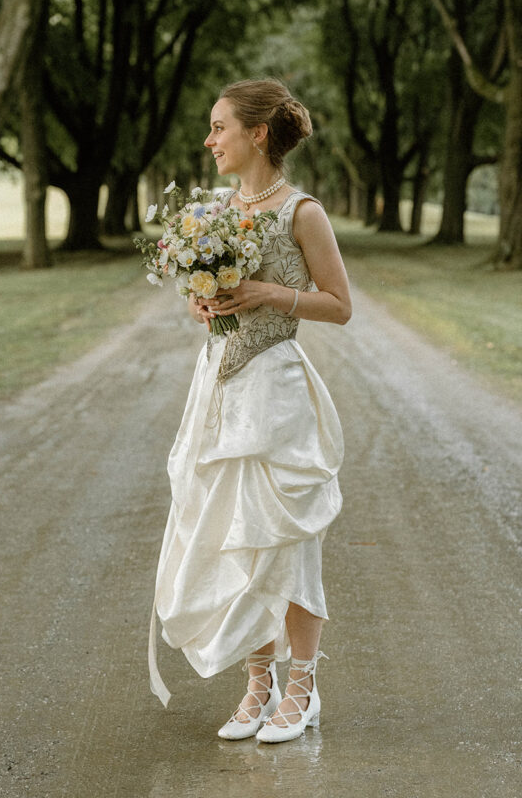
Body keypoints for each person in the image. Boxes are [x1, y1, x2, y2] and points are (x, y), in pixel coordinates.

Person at [148, 78, 351, 743]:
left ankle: (302, 687)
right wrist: (201, 300)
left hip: (276, 394)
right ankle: (256, 685)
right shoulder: (209, 210)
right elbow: (198, 292)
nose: (209, 141)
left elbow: (338, 305)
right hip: (219, 390)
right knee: (234, 534)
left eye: (218, 127)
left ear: (256, 134)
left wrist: (269, 291)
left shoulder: (302, 211)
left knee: (284, 538)